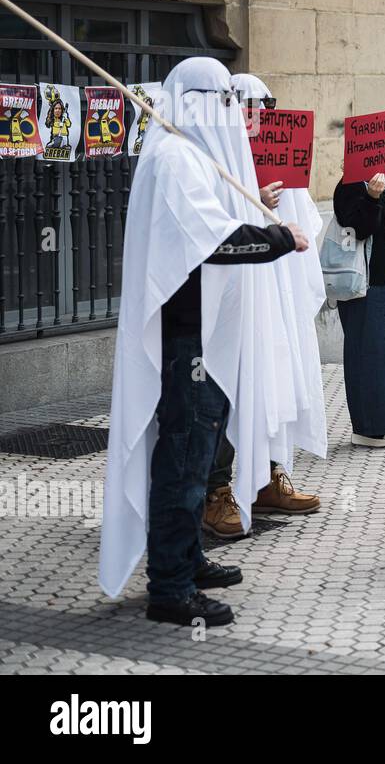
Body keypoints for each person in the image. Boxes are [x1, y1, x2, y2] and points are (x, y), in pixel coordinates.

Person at [99, 57, 310, 626]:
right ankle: (170, 584)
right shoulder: (174, 159)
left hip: (199, 335)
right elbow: (213, 242)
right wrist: (278, 237)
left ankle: (189, 559)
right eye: (222, 102)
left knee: (195, 450)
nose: (231, 115)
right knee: (184, 456)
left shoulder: (189, 156)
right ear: (197, 102)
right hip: (181, 339)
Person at [201, 73, 325, 538]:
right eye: (251, 103)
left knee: (274, 384)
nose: (261, 112)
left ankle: (267, 476)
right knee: (230, 389)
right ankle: (216, 490)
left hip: (278, 294)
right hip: (233, 297)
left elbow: (305, 218)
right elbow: (213, 227)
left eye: (266, 103)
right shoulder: (212, 150)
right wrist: (255, 204)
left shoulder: (279, 149)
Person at [332, 169, 385, 448]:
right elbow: (357, 227)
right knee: (370, 355)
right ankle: (371, 428)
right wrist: (370, 198)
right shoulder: (350, 186)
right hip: (364, 287)